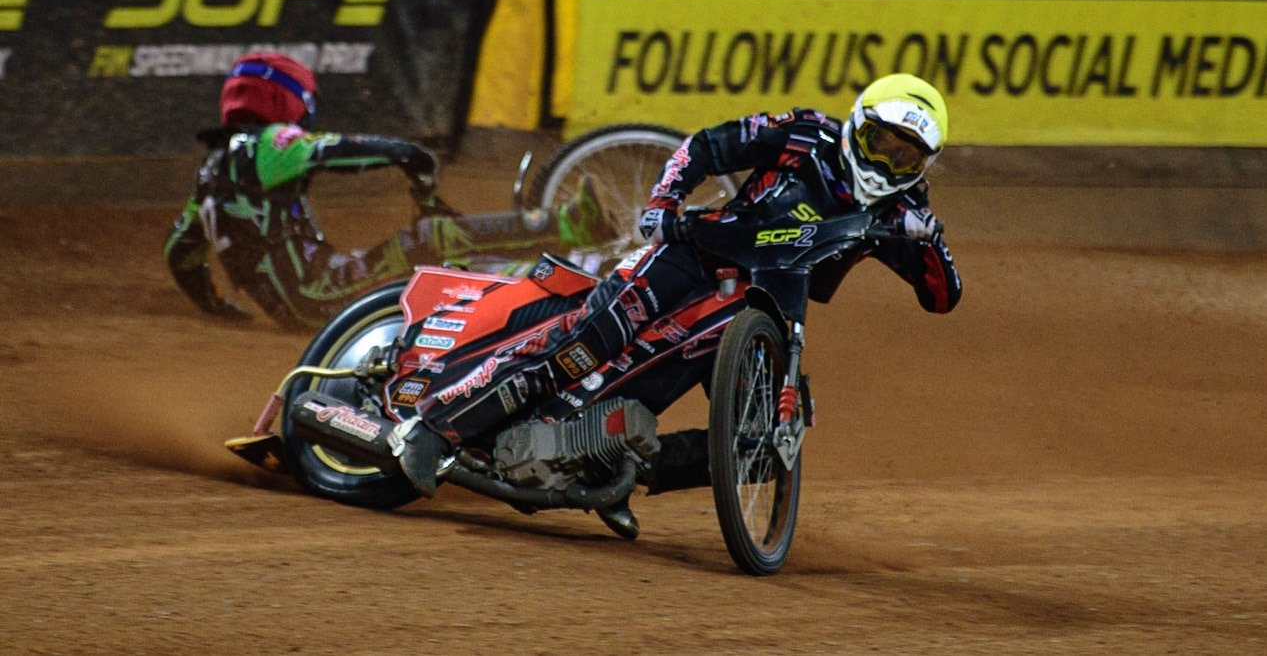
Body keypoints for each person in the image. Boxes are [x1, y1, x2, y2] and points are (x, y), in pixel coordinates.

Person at [396, 72, 963, 538]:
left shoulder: (903, 210)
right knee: (589, 345)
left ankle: (612, 465)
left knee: (760, 442)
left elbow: (943, 297)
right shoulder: (805, 133)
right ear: (857, 127)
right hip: (695, 253)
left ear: (924, 165)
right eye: (880, 144)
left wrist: (927, 238)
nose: (888, 164)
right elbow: (707, 146)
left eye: (906, 157)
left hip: (763, 301)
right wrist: (665, 202)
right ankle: (435, 429)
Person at [164, 51, 612, 331]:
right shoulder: (267, 143)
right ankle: (572, 228)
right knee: (428, 240)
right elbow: (339, 151)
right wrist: (408, 156)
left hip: (298, 305)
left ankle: (566, 273)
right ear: (286, 101)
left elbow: (179, 253)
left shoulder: (209, 174)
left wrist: (218, 307)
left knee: (437, 270)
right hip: (320, 292)